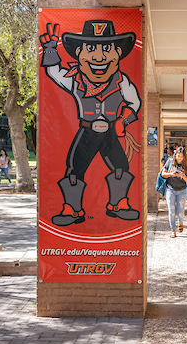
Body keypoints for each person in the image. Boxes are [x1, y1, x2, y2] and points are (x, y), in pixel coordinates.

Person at [40, 20, 141, 226]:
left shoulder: (121, 81)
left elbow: (135, 102)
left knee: (121, 166)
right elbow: (53, 71)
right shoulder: (75, 79)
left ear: (118, 54)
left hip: (110, 135)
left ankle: (118, 204)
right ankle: (72, 209)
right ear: (79, 53)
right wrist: (50, 49)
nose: (99, 56)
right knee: (74, 168)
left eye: (106, 49)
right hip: (86, 132)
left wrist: (124, 120)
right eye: (91, 49)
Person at [161, 147, 187, 237]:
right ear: (175, 155)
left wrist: (182, 175)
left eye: (182, 156)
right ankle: (173, 230)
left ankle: (180, 222)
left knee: (180, 211)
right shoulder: (170, 162)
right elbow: (163, 174)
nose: (180, 158)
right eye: (178, 156)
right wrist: (171, 174)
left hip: (182, 190)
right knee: (172, 211)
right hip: (170, 190)